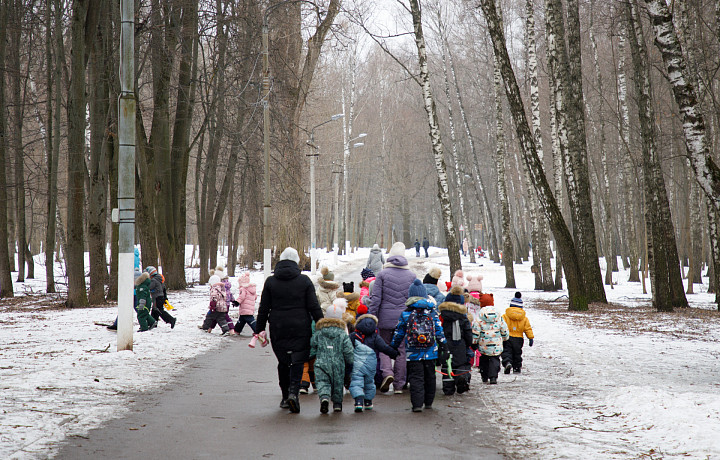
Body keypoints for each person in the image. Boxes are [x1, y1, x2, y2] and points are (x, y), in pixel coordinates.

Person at [256, 247, 323, 414]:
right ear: (296, 262)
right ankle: (294, 392)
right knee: (298, 360)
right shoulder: (305, 281)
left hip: (278, 326)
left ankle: (285, 396)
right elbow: (314, 306)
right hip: (301, 325)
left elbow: (263, 308)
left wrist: (259, 329)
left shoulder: (271, 281)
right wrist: (322, 324)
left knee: (284, 361)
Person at [390, 280, 447, 412]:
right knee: (430, 377)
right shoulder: (432, 311)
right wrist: (444, 344)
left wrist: (393, 346)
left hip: (413, 352)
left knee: (416, 377)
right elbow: (439, 330)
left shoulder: (406, 313)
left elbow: (399, 332)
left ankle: (416, 404)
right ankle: (428, 402)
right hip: (430, 351)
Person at [368, 242, 417, 394]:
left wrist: (372, 316)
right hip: (404, 320)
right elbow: (414, 300)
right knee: (402, 350)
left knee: (384, 348)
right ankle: (399, 385)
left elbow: (376, 299)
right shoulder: (412, 276)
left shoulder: (382, 275)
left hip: (384, 319)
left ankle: (387, 373)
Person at [310, 298, 354, 414]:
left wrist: (311, 355)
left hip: (321, 362)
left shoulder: (319, 332)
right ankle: (337, 404)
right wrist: (350, 361)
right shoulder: (342, 334)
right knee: (338, 383)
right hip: (338, 363)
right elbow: (348, 350)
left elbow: (313, 344)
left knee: (323, 381)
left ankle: (324, 398)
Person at [350, 312, 398, 412]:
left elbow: (346, 349)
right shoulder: (375, 337)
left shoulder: (354, 336)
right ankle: (368, 402)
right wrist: (394, 354)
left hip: (357, 364)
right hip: (371, 364)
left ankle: (358, 402)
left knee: (356, 382)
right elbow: (384, 347)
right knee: (369, 383)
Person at [439, 286, 475, 395]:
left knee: (447, 366)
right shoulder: (463, 317)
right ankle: (461, 379)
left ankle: (448, 389)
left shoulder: (443, 316)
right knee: (461, 364)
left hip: (446, 346)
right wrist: (469, 343)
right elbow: (468, 333)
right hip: (460, 345)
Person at [473, 303, 509, 384]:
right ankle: (493, 377)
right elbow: (504, 330)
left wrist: (474, 342)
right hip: (496, 344)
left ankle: (484, 375)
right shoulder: (500, 319)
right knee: (495, 359)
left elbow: (475, 332)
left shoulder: (479, 320)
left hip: (483, 344)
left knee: (484, 359)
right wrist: (505, 339)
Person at [501, 292, 534, 374]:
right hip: (519, 338)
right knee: (517, 353)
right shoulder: (524, 318)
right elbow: (527, 328)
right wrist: (530, 338)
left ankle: (507, 363)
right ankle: (516, 367)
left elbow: (501, 326)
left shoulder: (505, 316)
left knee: (506, 351)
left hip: (507, 337)